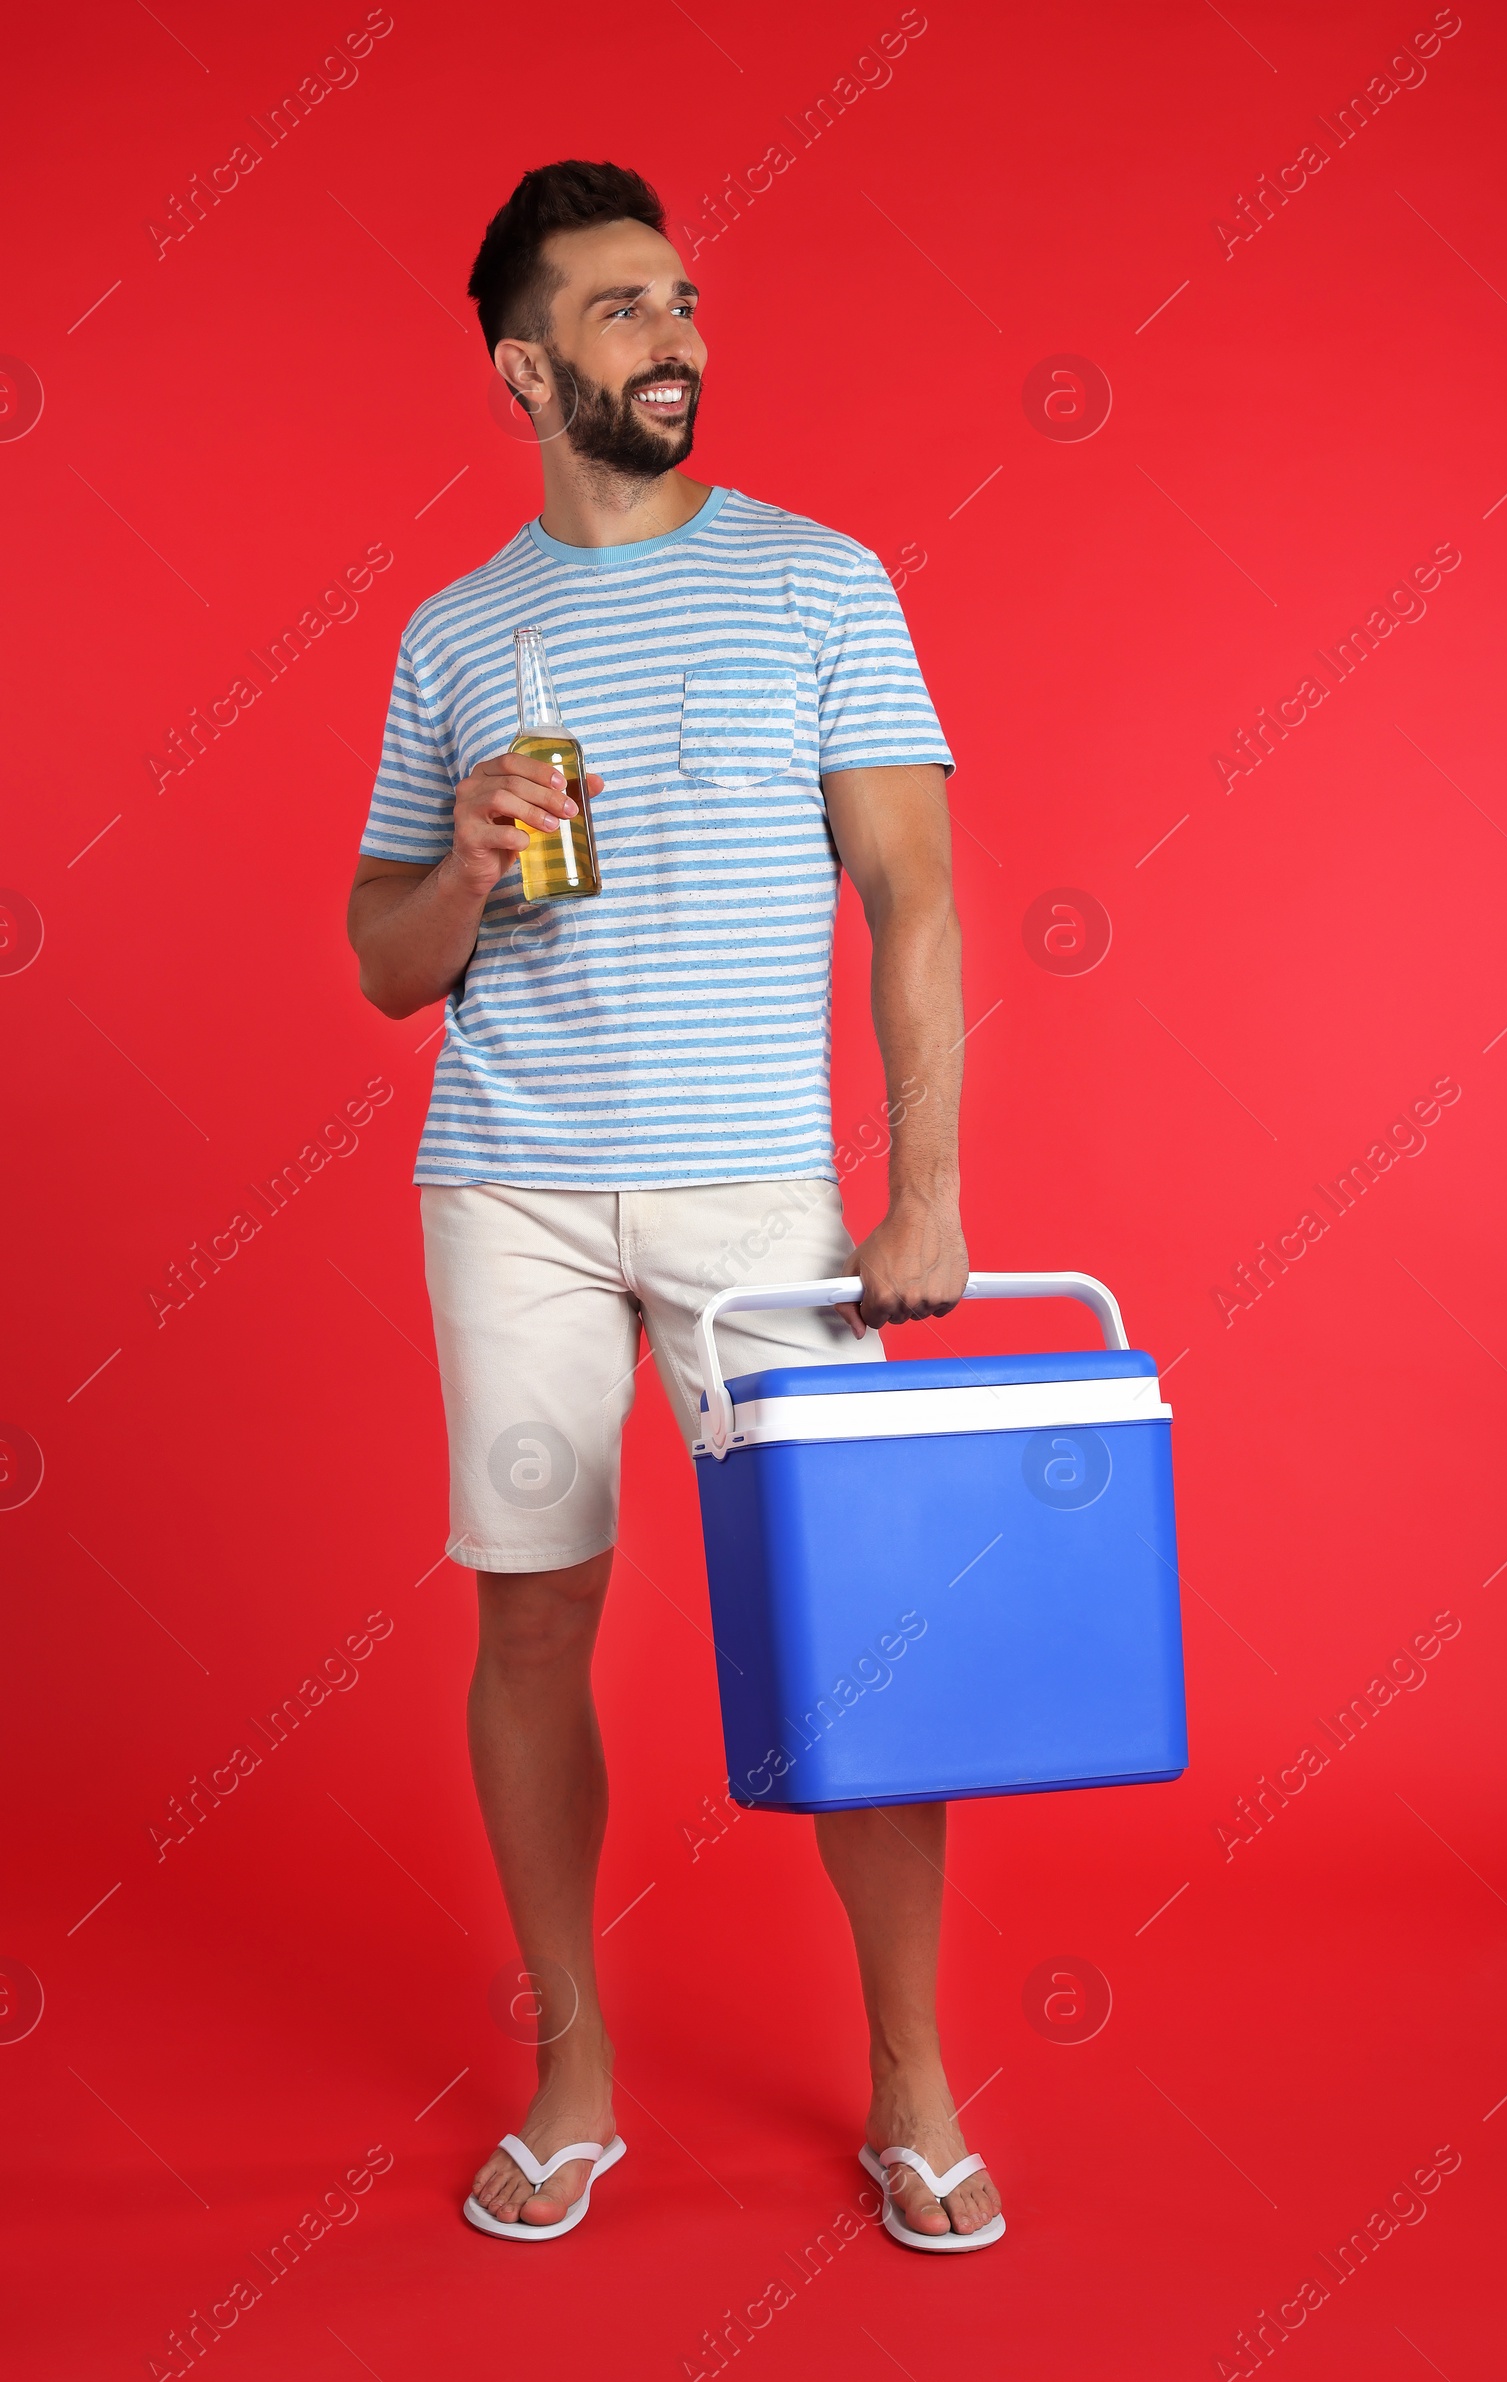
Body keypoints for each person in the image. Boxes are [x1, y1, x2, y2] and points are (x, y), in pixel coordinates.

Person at [347, 159, 1001, 2250]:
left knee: (852, 1635)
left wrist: (923, 1193)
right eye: (623, 312)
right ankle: (572, 2073)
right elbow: (380, 956)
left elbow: (914, 897)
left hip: (756, 1211)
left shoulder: (820, 584)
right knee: (530, 1612)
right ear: (524, 367)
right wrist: (460, 858)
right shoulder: (457, 635)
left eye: (685, 301)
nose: (677, 337)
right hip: (509, 1192)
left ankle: (908, 2081)